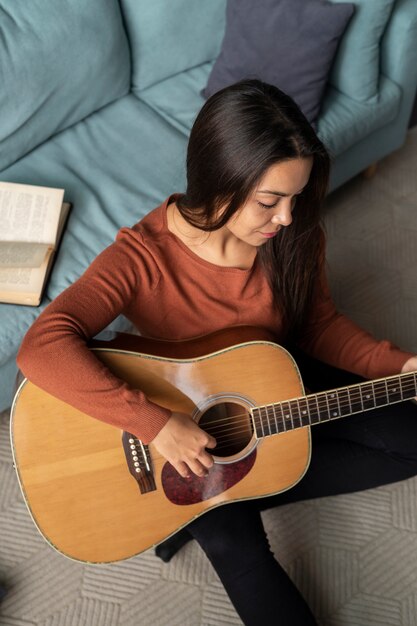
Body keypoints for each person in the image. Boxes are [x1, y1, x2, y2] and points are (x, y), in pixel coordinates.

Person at [17, 79, 417, 625]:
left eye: (296, 198)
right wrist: (156, 424)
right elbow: (41, 347)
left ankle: (240, 492)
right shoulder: (143, 257)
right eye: (270, 201)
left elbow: (319, 324)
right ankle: (217, 506)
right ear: (220, 181)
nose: (287, 218)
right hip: (172, 431)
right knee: (239, 554)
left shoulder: (293, 238)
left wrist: (399, 365)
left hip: (274, 373)